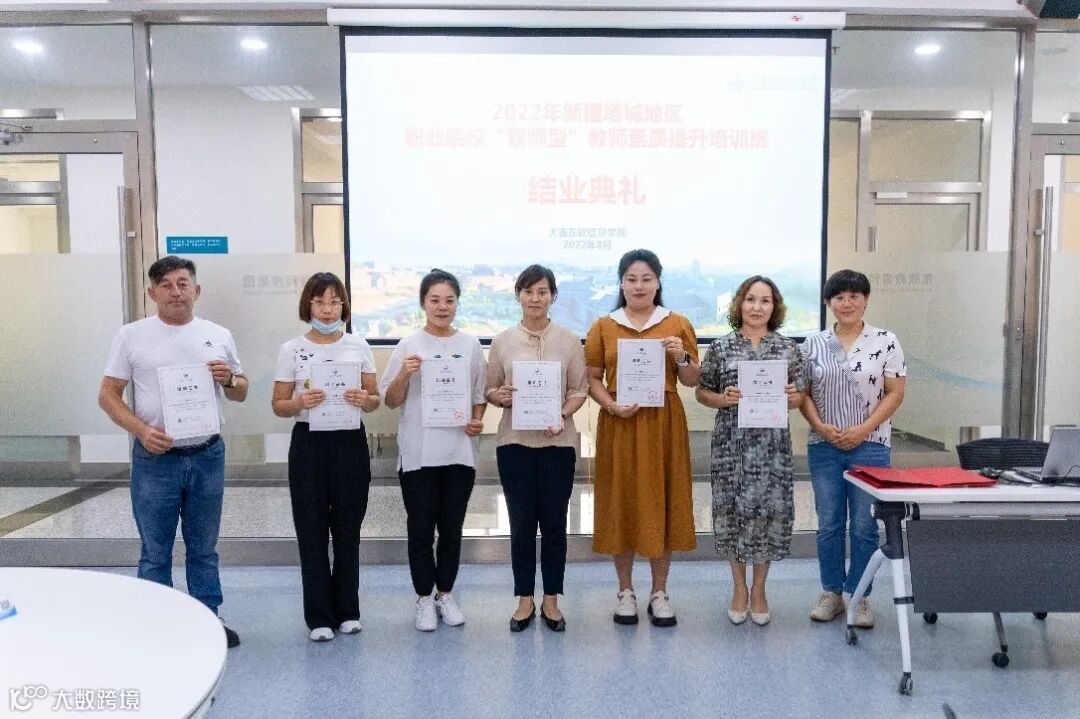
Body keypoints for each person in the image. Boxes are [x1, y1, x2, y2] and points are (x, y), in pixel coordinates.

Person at [98, 255, 247, 648]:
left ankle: (209, 618)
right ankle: (156, 626)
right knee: (155, 550)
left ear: (196, 290)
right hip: (155, 460)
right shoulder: (131, 336)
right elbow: (108, 395)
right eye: (165, 285)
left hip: (207, 456)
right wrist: (142, 431)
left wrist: (230, 379)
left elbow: (241, 390)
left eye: (183, 283)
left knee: (204, 548)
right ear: (152, 293)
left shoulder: (217, 334)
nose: (175, 291)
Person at [584, 249, 700, 627]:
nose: (639, 286)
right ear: (621, 283)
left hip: (663, 424)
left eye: (647, 279)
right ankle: (625, 591)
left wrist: (681, 357)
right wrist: (610, 405)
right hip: (620, 423)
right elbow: (592, 379)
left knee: (661, 500)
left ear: (658, 282)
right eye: (631, 279)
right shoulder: (604, 326)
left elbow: (691, 379)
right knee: (622, 501)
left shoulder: (676, 323)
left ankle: (659, 592)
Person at [272, 272, 381, 642]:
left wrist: (365, 400)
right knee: (311, 530)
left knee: (348, 530)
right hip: (309, 444)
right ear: (308, 305)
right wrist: (298, 402)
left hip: (349, 441)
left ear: (344, 306)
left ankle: (348, 610)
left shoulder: (358, 346)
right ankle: (319, 616)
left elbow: (375, 398)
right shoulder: (292, 349)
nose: (327, 309)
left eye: (335, 302)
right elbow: (278, 404)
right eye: (320, 301)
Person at [379, 269, 487, 632]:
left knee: (452, 528)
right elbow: (390, 400)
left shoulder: (470, 345)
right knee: (421, 529)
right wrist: (404, 375)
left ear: (457, 304)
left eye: (449, 300)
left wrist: (476, 421)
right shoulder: (409, 344)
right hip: (418, 453)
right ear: (423, 303)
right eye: (435, 300)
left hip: (459, 452)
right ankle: (424, 597)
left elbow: (479, 394)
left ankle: (445, 593)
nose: (442, 307)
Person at [695, 276, 806, 626]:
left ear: (775, 307)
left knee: (768, 514)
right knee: (733, 512)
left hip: (772, 447)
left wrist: (794, 397)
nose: (757, 307)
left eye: (765, 301)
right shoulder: (721, 347)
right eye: (750, 299)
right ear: (740, 304)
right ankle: (739, 588)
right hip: (732, 445)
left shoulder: (788, 349)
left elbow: (800, 396)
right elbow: (702, 392)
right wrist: (722, 399)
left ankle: (759, 589)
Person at [800, 269, 906, 629]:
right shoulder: (812, 344)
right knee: (829, 522)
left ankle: (859, 596)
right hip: (824, 445)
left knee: (864, 525)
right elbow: (803, 395)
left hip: (871, 446)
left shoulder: (885, 341)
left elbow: (895, 393)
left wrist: (862, 430)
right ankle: (831, 592)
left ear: (866, 299)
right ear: (828, 303)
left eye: (854, 296)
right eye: (839, 297)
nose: (847, 303)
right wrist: (820, 427)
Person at [486, 265, 588, 632]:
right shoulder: (502, 341)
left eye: (542, 292)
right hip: (514, 443)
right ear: (518, 296)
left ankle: (552, 600)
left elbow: (580, 389)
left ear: (552, 296)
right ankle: (524, 599)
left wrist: (561, 413)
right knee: (521, 524)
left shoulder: (569, 340)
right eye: (528, 292)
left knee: (555, 525)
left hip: (557, 443)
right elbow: (490, 389)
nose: (535, 298)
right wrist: (498, 395)